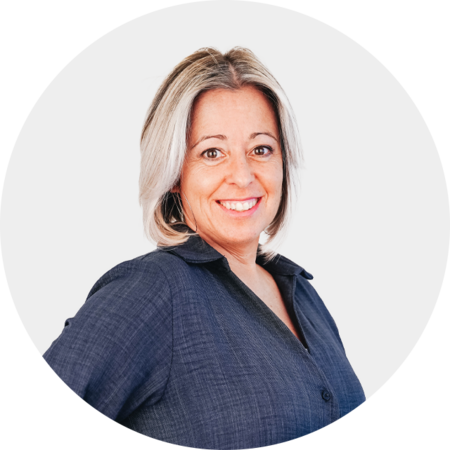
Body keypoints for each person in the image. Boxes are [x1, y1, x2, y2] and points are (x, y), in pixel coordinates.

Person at [42, 47, 366, 449]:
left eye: (261, 149)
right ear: (175, 173)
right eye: (212, 152)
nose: (242, 176)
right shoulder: (153, 291)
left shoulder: (303, 295)